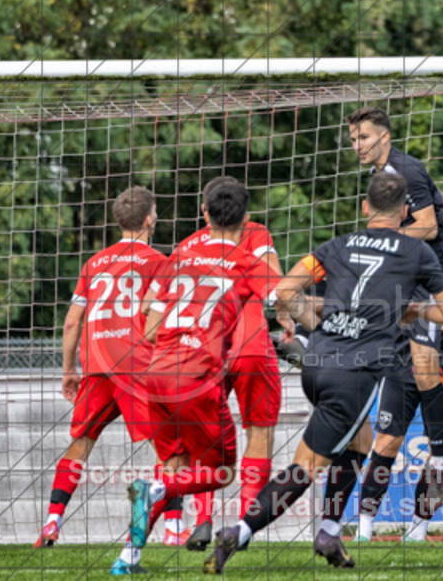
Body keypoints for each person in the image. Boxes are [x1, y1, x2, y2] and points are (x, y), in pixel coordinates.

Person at [203, 173, 443, 574]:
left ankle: (328, 530)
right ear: (406, 213)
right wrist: (411, 310)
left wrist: (315, 323)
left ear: (365, 207)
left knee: (360, 443)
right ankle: (240, 531)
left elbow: (284, 292)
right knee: (306, 466)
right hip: (354, 373)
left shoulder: (336, 245)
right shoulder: (417, 253)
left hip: (317, 363)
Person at [112, 177, 290, 575]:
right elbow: (279, 290)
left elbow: (149, 318)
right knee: (226, 466)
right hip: (212, 368)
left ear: (203, 212)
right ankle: (240, 523)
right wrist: (297, 324)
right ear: (246, 218)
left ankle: (129, 557)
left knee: (180, 458)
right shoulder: (251, 249)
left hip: (155, 374)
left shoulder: (180, 253)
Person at [35, 186, 173, 548]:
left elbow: (71, 322)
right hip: (137, 366)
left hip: (96, 366)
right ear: (149, 219)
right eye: (155, 212)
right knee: (170, 448)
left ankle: (51, 522)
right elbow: (158, 318)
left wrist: (69, 369)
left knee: (80, 444)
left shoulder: (93, 263)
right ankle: (172, 531)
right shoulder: (160, 262)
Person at [355, 192, 443, 543]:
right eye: (428, 214)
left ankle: (418, 530)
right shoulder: (399, 258)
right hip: (401, 368)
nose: (437, 220)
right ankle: (363, 529)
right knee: (387, 443)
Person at [347, 106, 443, 501]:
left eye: (363, 137)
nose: (357, 145)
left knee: (426, 367)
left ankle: (441, 456)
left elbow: (427, 225)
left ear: (384, 136)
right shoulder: (378, 176)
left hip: (428, 280)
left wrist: (383, 241)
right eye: (354, 139)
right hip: (401, 279)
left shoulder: (405, 170)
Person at [175, 218, 284, 551]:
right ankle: (243, 525)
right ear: (242, 211)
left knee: (203, 436)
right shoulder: (256, 232)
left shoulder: (186, 246)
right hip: (250, 339)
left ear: (205, 212)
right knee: (259, 431)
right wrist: (289, 321)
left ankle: (202, 520)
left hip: (205, 343)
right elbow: (275, 280)